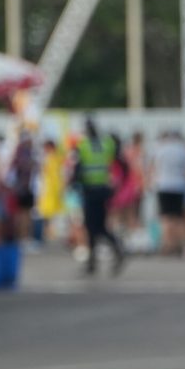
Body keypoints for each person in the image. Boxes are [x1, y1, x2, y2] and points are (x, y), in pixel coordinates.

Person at [73, 115, 125, 276]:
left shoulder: (83, 146)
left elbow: (77, 169)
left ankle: (111, 252)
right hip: (103, 190)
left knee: (93, 227)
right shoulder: (106, 144)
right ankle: (95, 261)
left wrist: (74, 184)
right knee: (97, 226)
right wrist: (117, 185)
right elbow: (122, 163)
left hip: (90, 191)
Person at [150, 130, 185, 256]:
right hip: (179, 185)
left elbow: (154, 166)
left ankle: (168, 245)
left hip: (164, 185)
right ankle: (178, 244)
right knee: (178, 217)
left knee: (166, 218)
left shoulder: (161, 149)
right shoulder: (183, 150)